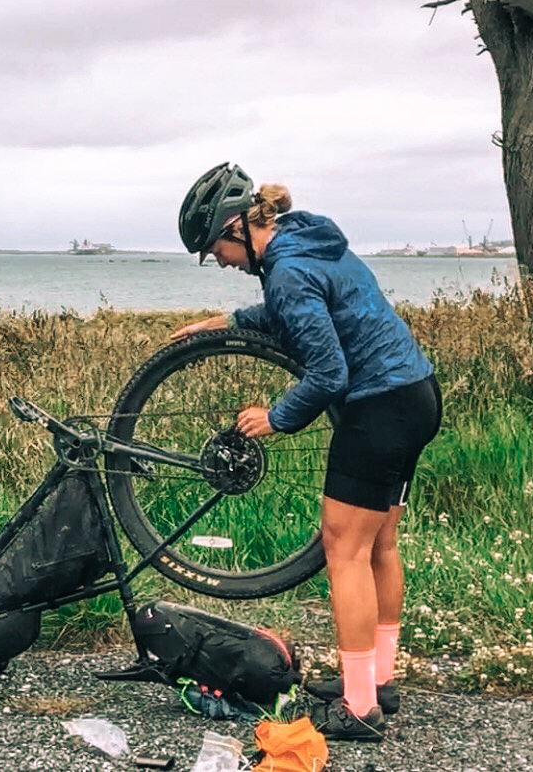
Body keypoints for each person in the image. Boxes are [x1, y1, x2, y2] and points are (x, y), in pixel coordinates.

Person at [171, 162, 441, 742]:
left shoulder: (287, 269)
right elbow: (297, 316)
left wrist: (276, 417)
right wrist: (223, 322)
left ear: (239, 225)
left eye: (214, 246)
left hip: (378, 411)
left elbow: (327, 372)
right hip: (416, 396)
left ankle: (359, 707)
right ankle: (377, 681)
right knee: (379, 545)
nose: (216, 260)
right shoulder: (305, 240)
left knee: (343, 549)